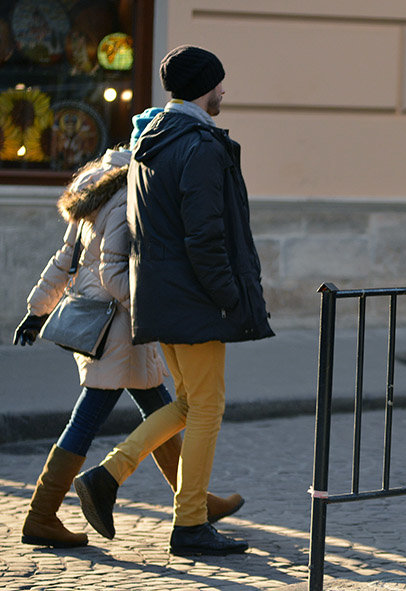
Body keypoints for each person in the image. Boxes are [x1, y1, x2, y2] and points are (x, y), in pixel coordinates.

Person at [73, 45, 274, 557]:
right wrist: (229, 296)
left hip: (165, 297)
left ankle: (108, 474)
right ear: (204, 87)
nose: (224, 91)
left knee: (188, 402)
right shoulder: (199, 144)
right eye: (219, 83)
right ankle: (189, 525)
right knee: (208, 407)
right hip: (196, 299)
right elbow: (204, 236)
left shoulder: (153, 138)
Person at [12, 108, 244, 549]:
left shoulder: (97, 181)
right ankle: (42, 514)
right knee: (92, 418)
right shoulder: (128, 193)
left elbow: (67, 258)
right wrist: (158, 305)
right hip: (117, 328)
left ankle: (194, 501)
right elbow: (113, 275)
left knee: (162, 406)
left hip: (107, 324)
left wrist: (38, 309)